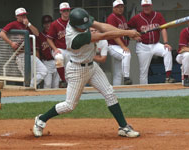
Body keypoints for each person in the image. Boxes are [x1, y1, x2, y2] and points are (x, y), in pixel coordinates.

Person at [33, 8, 140, 138]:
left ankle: (123, 127)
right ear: (74, 25)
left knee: (109, 93)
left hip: (92, 67)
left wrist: (126, 32)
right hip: (77, 70)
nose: (85, 28)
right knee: (69, 106)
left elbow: (101, 26)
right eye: (82, 27)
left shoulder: (78, 20)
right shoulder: (75, 38)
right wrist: (128, 33)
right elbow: (103, 35)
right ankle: (41, 119)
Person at [127, 0, 175, 84]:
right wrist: (134, 36)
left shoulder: (158, 15)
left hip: (155, 44)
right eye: (144, 6)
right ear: (142, 7)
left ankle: (168, 76)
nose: (146, 7)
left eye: (148, 6)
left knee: (167, 50)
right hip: (143, 46)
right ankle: (144, 92)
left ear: (151, 6)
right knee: (143, 71)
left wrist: (166, 42)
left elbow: (163, 28)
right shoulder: (137, 17)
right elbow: (127, 28)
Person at [0, 7, 47, 88]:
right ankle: (28, 92)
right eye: (21, 15)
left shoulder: (27, 24)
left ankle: (30, 87)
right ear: (17, 16)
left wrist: (28, 24)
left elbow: (37, 33)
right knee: (27, 77)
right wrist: (11, 43)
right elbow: (1, 33)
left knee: (44, 71)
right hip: (21, 55)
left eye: (25, 15)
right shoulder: (13, 24)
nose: (24, 17)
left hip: (31, 54)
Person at [106, 0, 132, 85]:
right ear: (113, 8)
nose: (120, 9)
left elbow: (125, 31)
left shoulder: (122, 17)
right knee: (126, 54)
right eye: (118, 7)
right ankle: (126, 77)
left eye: (121, 7)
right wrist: (123, 46)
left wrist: (134, 35)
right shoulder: (112, 17)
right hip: (113, 45)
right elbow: (114, 35)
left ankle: (116, 90)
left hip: (119, 46)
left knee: (118, 72)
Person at [47, 2, 71, 87]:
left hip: (71, 49)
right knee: (59, 58)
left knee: (70, 68)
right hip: (59, 48)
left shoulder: (73, 22)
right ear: (60, 11)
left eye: (67, 10)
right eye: (64, 10)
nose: (66, 12)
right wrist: (55, 49)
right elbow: (49, 39)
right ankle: (63, 80)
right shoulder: (55, 24)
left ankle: (70, 85)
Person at [37, 15, 60, 89]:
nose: (48, 25)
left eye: (49, 22)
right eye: (46, 23)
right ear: (43, 24)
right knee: (47, 84)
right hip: (47, 62)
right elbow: (38, 50)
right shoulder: (40, 36)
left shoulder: (57, 34)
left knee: (56, 84)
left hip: (58, 59)